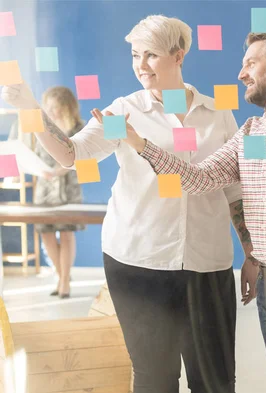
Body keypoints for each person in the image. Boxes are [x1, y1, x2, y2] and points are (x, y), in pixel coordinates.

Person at [95, 31, 266, 393]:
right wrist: (140, 144)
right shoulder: (253, 132)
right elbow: (201, 179)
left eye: (250, 64)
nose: (242, 73)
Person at [1, 15, 252, 393]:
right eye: (136, 55)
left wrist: (251, 252)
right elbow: (72, 155)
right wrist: (30, 109)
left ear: (178, 55)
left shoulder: (216, 114)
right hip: (138, 262)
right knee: (155, 379)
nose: (141, 65)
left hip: (207, 262)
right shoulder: (123, 114)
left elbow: (234, 190)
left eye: (151, 55)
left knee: (215, 380)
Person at [35, 87, 86, 298]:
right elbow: (33, 154)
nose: (52, 112)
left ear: (68, 107)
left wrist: (60, 171)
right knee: (45, 233)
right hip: (44, 190)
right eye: (48, 108)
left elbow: (85, 160)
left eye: (56, 108)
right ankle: (60, 274)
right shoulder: (39, 128)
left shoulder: (79, 128)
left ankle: (64, 281)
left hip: (69, 189)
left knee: (66, 233)